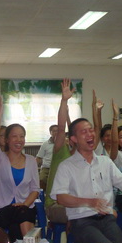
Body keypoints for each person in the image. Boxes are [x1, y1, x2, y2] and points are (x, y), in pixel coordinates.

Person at [50, 117, 122, 243]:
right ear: (74, 139)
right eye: (84, 132)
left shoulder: (105, 162)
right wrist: (90, 202)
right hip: (82, 221)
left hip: (107, 219)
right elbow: (60, 198)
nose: (90, 134)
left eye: (91, 130)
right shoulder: (66, 166)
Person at [0, 95, 40, 242]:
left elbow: (35, 190)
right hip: (3, 210)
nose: (19, 140)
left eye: (22, 136)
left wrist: (24, 204)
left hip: (25, 209)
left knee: (17, 223)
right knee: (21, 215)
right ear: (6, 140)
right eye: (14, 136)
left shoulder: (31, 161)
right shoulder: (0, 159)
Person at [45, 78, 74, 225]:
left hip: (75, 202)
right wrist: (64, 101)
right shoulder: (60, 151)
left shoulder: (82, 156)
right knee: (82, 215)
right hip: (55, 204)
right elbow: (62, 128)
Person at [36, 124, 58, 190]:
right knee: (41, 179)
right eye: (54, 131)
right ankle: (43, 194)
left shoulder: (64, 143)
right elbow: (39, 158)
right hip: (47, 168)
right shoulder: (45, 144)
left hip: (59, 168)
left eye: (57, 131)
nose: (56, 133)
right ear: (50, 132)